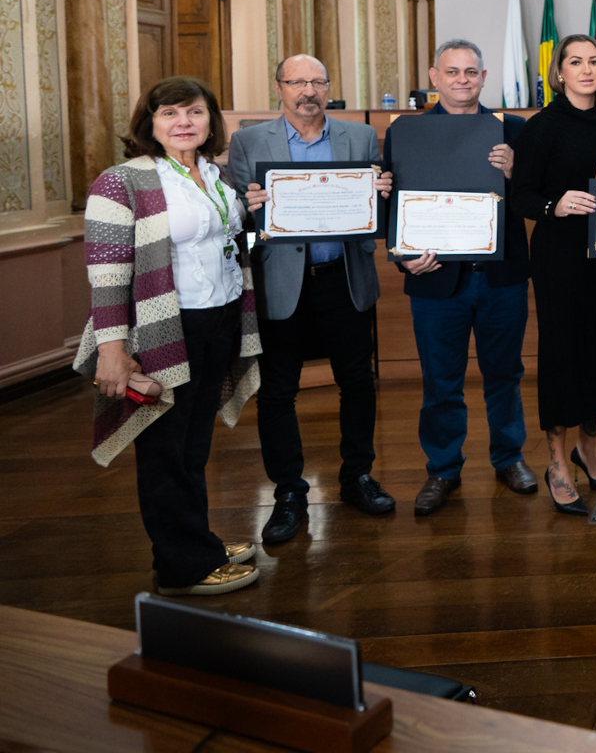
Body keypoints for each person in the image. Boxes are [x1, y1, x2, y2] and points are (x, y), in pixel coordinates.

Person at [78, 77, 261, 596]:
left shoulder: (215, 176)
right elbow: (107, 272)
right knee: (165, 449)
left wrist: (273, 221)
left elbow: (235, 242)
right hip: (164, 328)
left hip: (219, 319)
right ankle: (182, 568)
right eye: (169, 114)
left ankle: (194, 540)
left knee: (192, 445)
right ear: (150, 124)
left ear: (210, 121)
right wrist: (114, 351)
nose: (184, 123)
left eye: (195, 112)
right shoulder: (122, 182)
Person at [229, 55, 395, 545]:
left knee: (358, 382)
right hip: (282, 283)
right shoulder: (248, 141)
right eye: (297, 81)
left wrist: (382, 193)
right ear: (278, 87)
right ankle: (288, 492)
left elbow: (375, 210)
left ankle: (356, 477)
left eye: (317, 81)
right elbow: (241, 227)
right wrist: (252, 212)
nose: (308, 90)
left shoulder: (361, 137)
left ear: (328, 87)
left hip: (343, 278)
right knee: (278, 392)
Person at [385, 40, 537, 516]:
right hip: (434, 279)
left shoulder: (513, 129)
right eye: (452, 71)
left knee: (505, 374)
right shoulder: (405, 133)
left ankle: (508, 457)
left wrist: (517, 175)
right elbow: (392, 201)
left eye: (471, 71)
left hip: (501, 276)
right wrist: (402, 257)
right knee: (440, 381)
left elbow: (533, 201)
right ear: (434, 76)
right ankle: (443, 469)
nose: (462, 80)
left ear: (484, 77)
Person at [511, 35, 596, 517]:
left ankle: (588, 447)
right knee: (564, 355)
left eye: (593, 62)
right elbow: (520, 195)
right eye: (575, 62)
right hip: (560, 257)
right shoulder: (542, 126)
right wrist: (552, 205)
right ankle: (557, 460)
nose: (586, 69)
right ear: (558, 72)